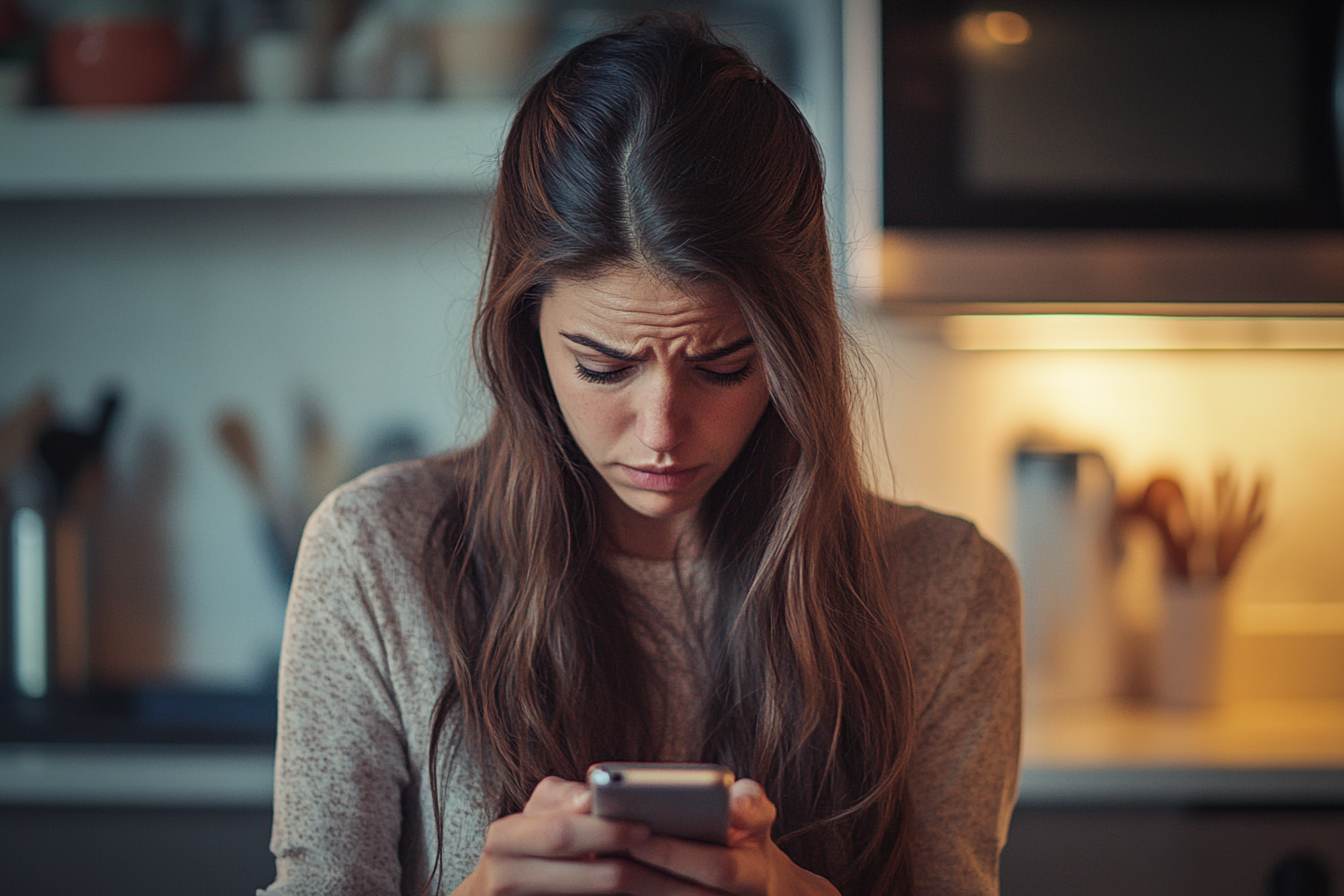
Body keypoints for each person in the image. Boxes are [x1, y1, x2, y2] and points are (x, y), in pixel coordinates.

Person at [262, 15, 1020, 896]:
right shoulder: (375, 555)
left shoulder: (948, 589)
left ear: (794, 348)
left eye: (725, 365)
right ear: (524, 331)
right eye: (604, 366)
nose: (662, 429)